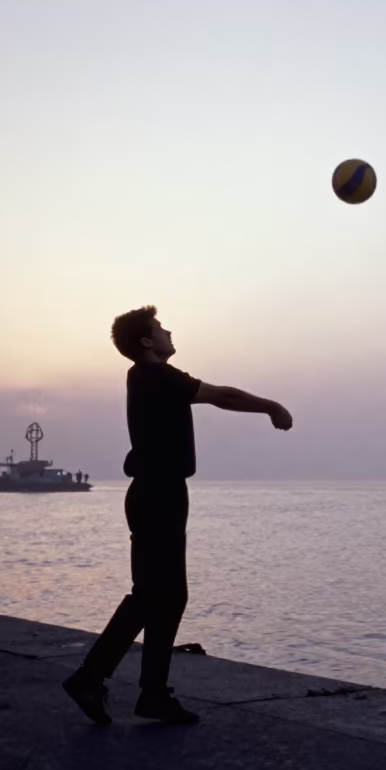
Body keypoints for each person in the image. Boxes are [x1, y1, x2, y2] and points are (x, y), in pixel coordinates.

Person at [62, 305, 292, 726]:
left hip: (157, 492)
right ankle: (95, 678)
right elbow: (224, 396)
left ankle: (146, 692)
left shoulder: (146, 378)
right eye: (160, 328)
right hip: (158, 495)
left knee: (163, 595)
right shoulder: (157, 376)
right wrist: (271, 406)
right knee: (154, 596)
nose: (169, 332)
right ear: (148, 342)